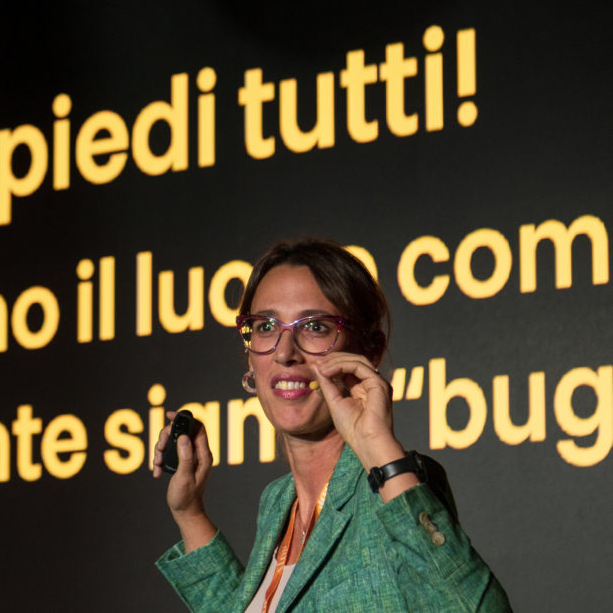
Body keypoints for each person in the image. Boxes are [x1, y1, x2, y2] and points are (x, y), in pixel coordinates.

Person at [153, 238, 509, 612]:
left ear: (370, 351)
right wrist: (190, 513)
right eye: (266, 326)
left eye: (315, 327)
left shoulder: (394, 485)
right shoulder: (278, 502)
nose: (285, 353)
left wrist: (379, 449)